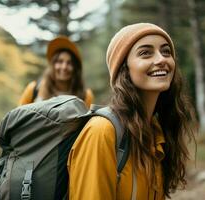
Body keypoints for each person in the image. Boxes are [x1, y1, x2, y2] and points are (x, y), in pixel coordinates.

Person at [67, 23, 198, 199]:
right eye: (145, 53)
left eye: (166, 51)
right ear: (124, 68)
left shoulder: (155, 130)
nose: (161, 59)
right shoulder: (102, 131)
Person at [18, 36, 93, 107]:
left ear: (75, 68)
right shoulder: (33, 89)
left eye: (69, 63)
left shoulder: (85, 95)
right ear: (52, 64)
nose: (64, 67)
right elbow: (18, 117)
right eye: (60, 62)